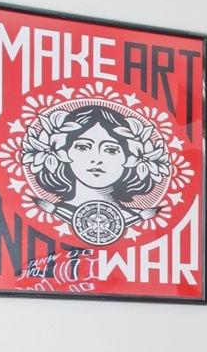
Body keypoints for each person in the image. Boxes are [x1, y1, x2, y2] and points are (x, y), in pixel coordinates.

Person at [22, 102, 167, 246]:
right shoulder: (51, 211)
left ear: (131, 158)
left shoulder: (136, 216)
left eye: (111, 150)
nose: (97, 159)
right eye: (83, 147)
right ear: (62, 152)